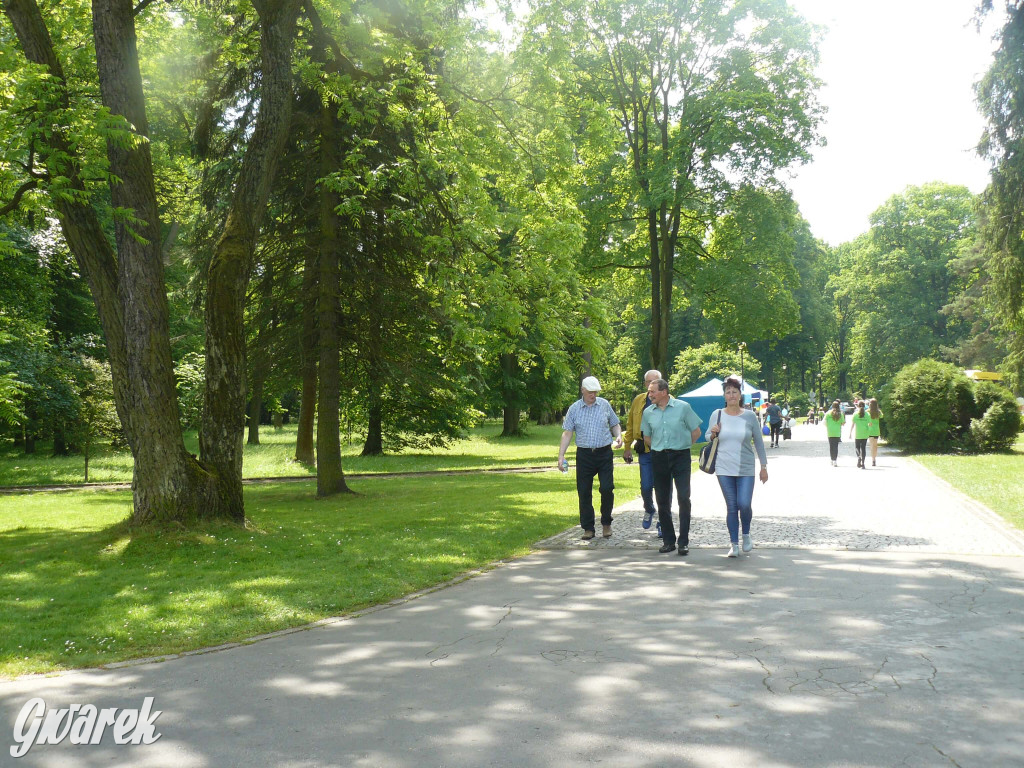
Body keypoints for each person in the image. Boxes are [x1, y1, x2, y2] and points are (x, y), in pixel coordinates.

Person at [706, 377, 769, 557]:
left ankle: (746, 534)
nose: (731, 395)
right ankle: (734, 544)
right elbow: (707, 436)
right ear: (724, 396)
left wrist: (763, 466)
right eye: (728, 392)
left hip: (745, 467)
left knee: (744, 504)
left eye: (735, 392)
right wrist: (713, 433)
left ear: (740, 395)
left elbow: (758, 442)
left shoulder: (749, 416)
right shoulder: (717, 414)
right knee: (732, 506)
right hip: (724, 467)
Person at [641, 378, 703, 555]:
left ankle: (683, 541)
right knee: (662, 500)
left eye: (653, 391)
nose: (649, 394)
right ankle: (669, 540)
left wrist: (682, 446)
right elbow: (647, 437)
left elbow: (696, 431)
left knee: (684, 497)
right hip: (659, 457)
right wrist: (660, 447)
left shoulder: (683, 407)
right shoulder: (648, 412)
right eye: (649, 391)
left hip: (680, 456)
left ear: (664, 392)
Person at [558, 376, 623, 540]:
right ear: (583, 391)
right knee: (584, 491)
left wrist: (619, 436)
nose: (593, 395)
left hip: (604, 452)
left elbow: (614, 423)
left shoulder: (604, 405)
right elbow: (567, 433)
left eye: (595, 392)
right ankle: (588, 528)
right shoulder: (574, 409)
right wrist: (561, 456)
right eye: (590, 392)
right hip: (585, 454)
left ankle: (606, 523)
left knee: (607, 488)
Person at [621, 369, 662, 536]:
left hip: (663, 452)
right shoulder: (638, 400)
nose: (651, 386)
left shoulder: (670, 401)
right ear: (645, 384)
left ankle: (663, 523)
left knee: (662, 488)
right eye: (648, 383)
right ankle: (649, 508)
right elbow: (630, 425)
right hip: (644, 451)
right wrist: (627, 447)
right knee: (646, 486)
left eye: (655, 382)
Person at [849, 399, 872, 469]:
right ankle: (863, 463)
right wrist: (868, 430)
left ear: (858, 406)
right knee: (863, 448)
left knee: (857, 447)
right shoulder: (867, 414)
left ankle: (859, 457)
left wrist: (850, 433)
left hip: (858, 434)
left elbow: (852, 424)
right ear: (864, 406)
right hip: (865, 433)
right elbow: (870, 424)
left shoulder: (855, 414)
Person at [825, 399, 845, 467]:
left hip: (830, 431)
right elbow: (843, 423)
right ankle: (835, 461)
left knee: (831, 446)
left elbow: (824, 422)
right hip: (837, 432)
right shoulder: (840, 414)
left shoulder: (828, 413)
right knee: (836, 447)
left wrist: (828, 425)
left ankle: (832, 459)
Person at [868, 398, 883, 466]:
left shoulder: (868, 411)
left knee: (871, 445)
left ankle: (872, 459)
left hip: (870, 430)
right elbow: (882, 416)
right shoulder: (878, 412)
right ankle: (875, 459)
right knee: (875, 445)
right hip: (876, 430)